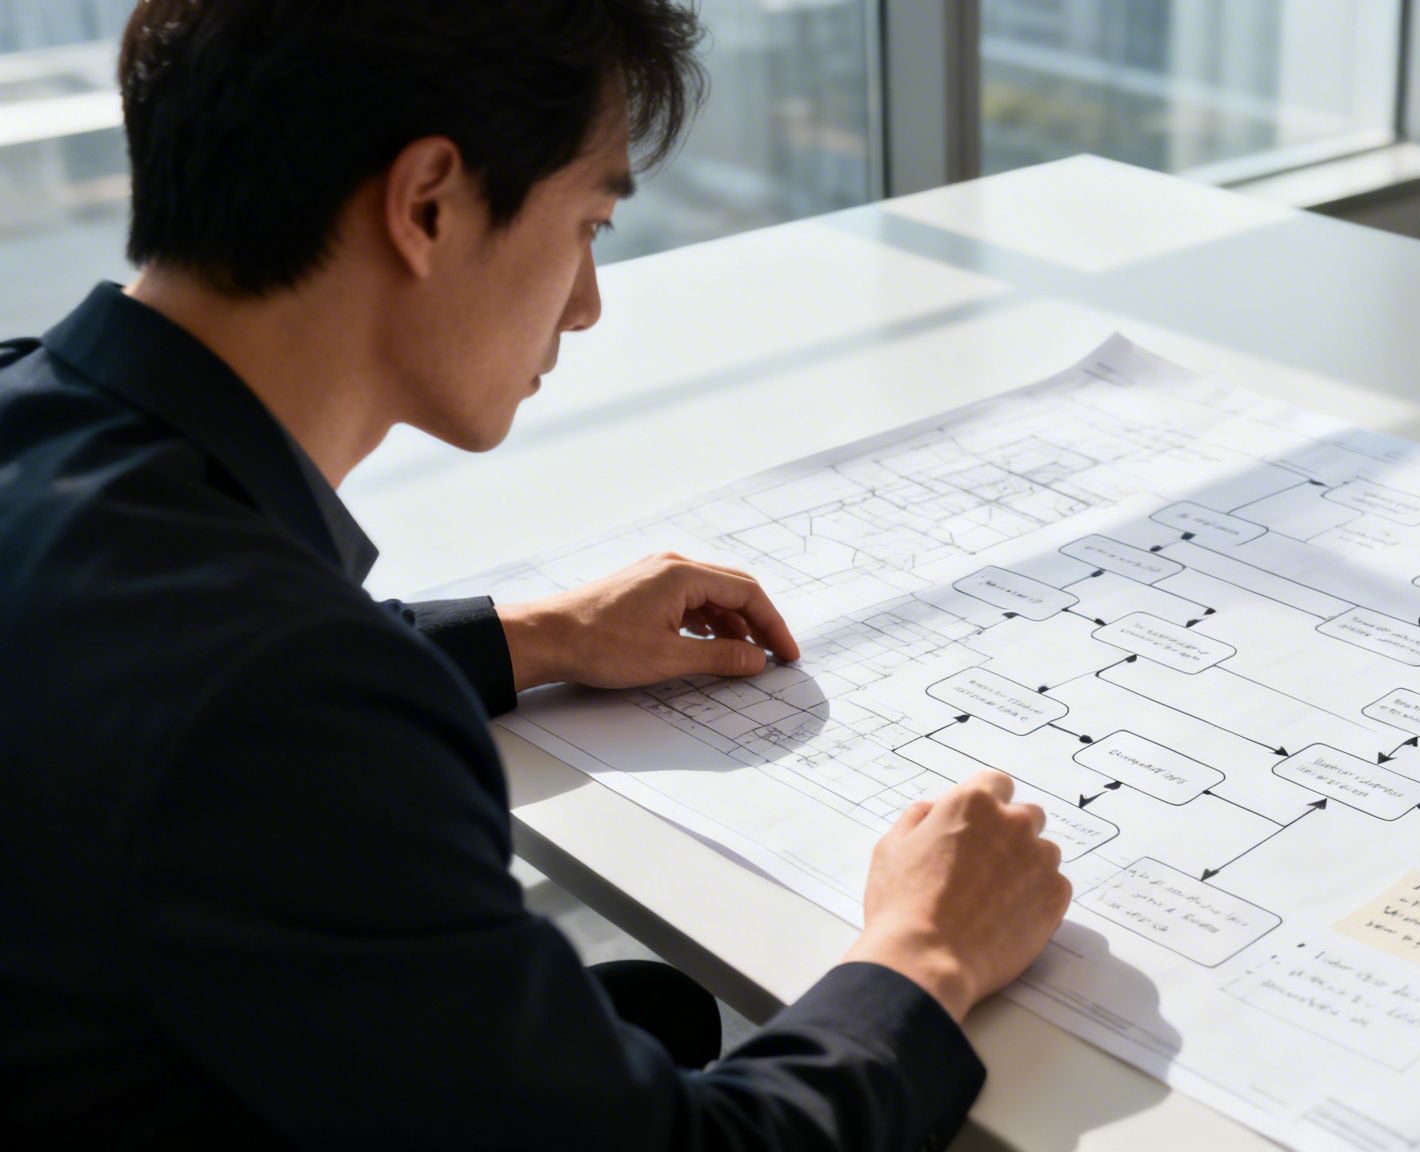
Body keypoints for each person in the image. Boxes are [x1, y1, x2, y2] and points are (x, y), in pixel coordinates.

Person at [0, 1, 1071, 1148]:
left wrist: (537, 634)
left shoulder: (40, 422)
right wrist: (925, 951)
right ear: (426, 206)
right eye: (590, 223)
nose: (587, 303)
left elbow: (150, 692)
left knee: (649, 1010)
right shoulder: (285, 708)